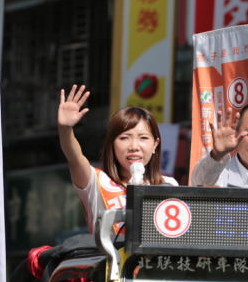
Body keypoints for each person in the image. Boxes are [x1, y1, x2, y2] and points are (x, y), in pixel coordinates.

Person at [58, 84, 177, 231]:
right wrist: (65, 129)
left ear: (155, 145)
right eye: (124, 138)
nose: (134, 146)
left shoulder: (168, 185)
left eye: (143, 138)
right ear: (112, 145)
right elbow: (74, 157)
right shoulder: (96, 182)